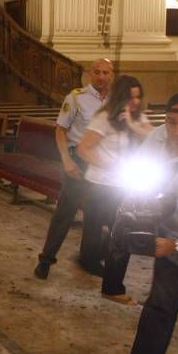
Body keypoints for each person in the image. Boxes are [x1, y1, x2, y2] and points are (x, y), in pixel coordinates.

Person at [120, 93, 178, 354]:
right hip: (171, 240)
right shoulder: (158, 138)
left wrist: (175, 244)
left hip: (175, 242)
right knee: (159, 311)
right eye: (172, 122)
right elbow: (137, 176)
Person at [33, 58, 114, 280]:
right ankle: (46, 260)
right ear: (90, 74)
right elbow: (60, 130)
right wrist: (66, 161)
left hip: (102, 163)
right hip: (78, 160)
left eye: (105, 72)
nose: (101, 76)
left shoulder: (116, 102)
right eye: (96, 72)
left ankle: (90, 259)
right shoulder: (76, 98)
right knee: (65, 212)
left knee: (97, 214)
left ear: (112, 75)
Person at [77, 75, 152, 302]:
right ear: (121, 97)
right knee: (103, 231)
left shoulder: (138, 119)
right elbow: (83, 149)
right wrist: (110, 165)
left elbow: (153, 137)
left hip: (125, 185)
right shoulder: (104, 118)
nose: (135, 102)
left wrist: (130, 123)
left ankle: (107, 278)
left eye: (138, 97)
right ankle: (110, 285)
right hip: (101, 184)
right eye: (130, 97)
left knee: (120, 235)